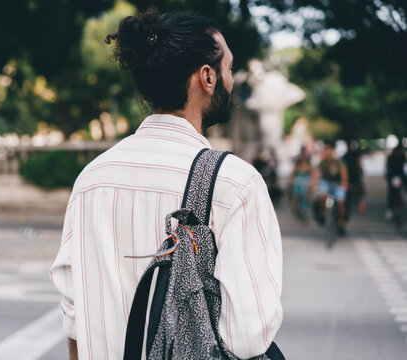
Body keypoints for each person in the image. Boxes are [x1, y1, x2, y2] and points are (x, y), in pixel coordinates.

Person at [50, 7, 282, 360]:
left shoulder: (90, 180)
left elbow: (74, 322)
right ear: (207, 77)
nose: (231, 81)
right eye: (229, 69)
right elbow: (247, 336)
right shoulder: (235, 185)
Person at [312, 141, 349, 234]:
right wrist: (314, 183)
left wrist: (344, 183)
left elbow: (344, 173)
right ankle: (322, 212)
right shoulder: (322, 163)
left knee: (340, 201)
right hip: (326, 183)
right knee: (322, 195)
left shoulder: (339, 162)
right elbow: (317, 174)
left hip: (337, 184)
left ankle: (341, 221)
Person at [342, 140, 366, 219]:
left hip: (350, 177)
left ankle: (348, 208)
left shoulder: (345, 156)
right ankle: (357, 203)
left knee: (348, 195)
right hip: (353, 177)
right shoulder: (355, 155)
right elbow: (359, 166)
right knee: (358, 190)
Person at [289, 147, 312, 220]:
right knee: (296, 194)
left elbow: (312, 172)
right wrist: (291, 179)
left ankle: (304, 208)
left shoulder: (308, 164)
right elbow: (293, 172)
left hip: (305, 181)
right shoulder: (297, 163)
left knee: (306, 194)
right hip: (298, 181)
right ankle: (295, 206)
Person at [386, 143, 407, 220]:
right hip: (400, 177)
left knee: (392, 194)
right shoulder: (402, 156)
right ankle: (399, 209)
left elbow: (387, 166)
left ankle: (390, 210)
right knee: (400, 193)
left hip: (393, 177)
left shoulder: (391, 156)